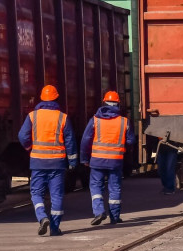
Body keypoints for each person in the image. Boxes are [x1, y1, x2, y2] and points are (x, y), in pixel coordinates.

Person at [17, 85, 78, 236]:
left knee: (36, 193)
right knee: (56, 195)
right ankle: (55, 228)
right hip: (57, 163)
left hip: (38, 162)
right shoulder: (62, 117)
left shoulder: (33, 116)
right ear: (57, 99)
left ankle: (42, 217)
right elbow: (70, 142)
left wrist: (29, 146)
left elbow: (22, 136)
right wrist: (72, 162)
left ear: (41, 98)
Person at [80, 90, 135, 225]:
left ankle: (99, 212)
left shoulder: (95, 120)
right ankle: (114, 217)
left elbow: (85, 140)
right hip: (115, 161)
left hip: (97, 161)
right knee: (115, 188)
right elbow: (131, 141)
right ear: (118, 105)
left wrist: (84, 159)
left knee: (95, 186)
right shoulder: (124, 122)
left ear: (104, 103)